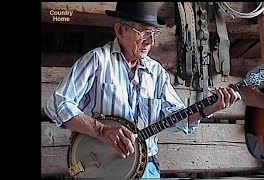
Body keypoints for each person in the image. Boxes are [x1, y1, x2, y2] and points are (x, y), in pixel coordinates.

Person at [44, 2, 241, 178]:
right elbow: (57, 104)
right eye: (144, 33)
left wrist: (209, 109)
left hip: (146, 168)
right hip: (99, 167)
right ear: (120, 30)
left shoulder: (156, 73)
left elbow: (177, 117)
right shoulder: (97, 61)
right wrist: (102, 130)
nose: (151, 41)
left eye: (154, 33)